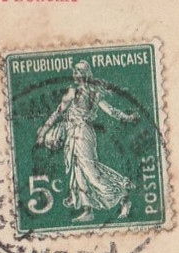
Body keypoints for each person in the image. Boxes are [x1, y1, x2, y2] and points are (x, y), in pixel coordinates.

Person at [35, 61, 138, 223]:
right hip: (84, 133)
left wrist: (43, 132)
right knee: (84, 168)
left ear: (82, 74)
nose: (74, 72)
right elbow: (111, 111)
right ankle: (88, 206)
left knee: (86, 169)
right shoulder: (94, 92)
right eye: (75, 69)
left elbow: (58, 112)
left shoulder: (73, 91)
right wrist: (127, 117)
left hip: (78, 133)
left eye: (77, 70)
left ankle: (119, 195)